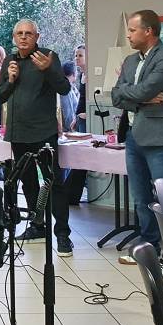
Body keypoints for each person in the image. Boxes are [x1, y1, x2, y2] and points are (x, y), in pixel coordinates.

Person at [0, 19, 74, 256]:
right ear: (14, 37)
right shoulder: (9, 61)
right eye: (19, 33)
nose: (23, 37)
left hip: (44, 131)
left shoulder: (48, 56)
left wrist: (48, 69)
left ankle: (62, 235)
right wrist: (10, 80)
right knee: (28, 182)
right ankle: (37, 226)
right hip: (18, 132)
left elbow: (64, 88)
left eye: (28, 33)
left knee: (53, 183)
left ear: (37, 37)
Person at [111, 10, 163, 267]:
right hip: (133, 136)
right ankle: (149, 246)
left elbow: (146, 89)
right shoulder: (130, 60)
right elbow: (115, 95)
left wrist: (134, 94)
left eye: (132, 30)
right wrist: (142, 99)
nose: (128, 35)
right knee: (141, 199)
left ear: (148, 31)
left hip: (160, 138)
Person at [64, 45, 89, 205]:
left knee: (85, 154)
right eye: (76, 55)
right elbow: (81, 98)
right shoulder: (81, 75)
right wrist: (76, 116)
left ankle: (76, 191)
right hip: (80, 118)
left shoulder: (90, 75)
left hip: (86, 118)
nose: (76, 58)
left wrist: (88, 113)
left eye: (80, 55)